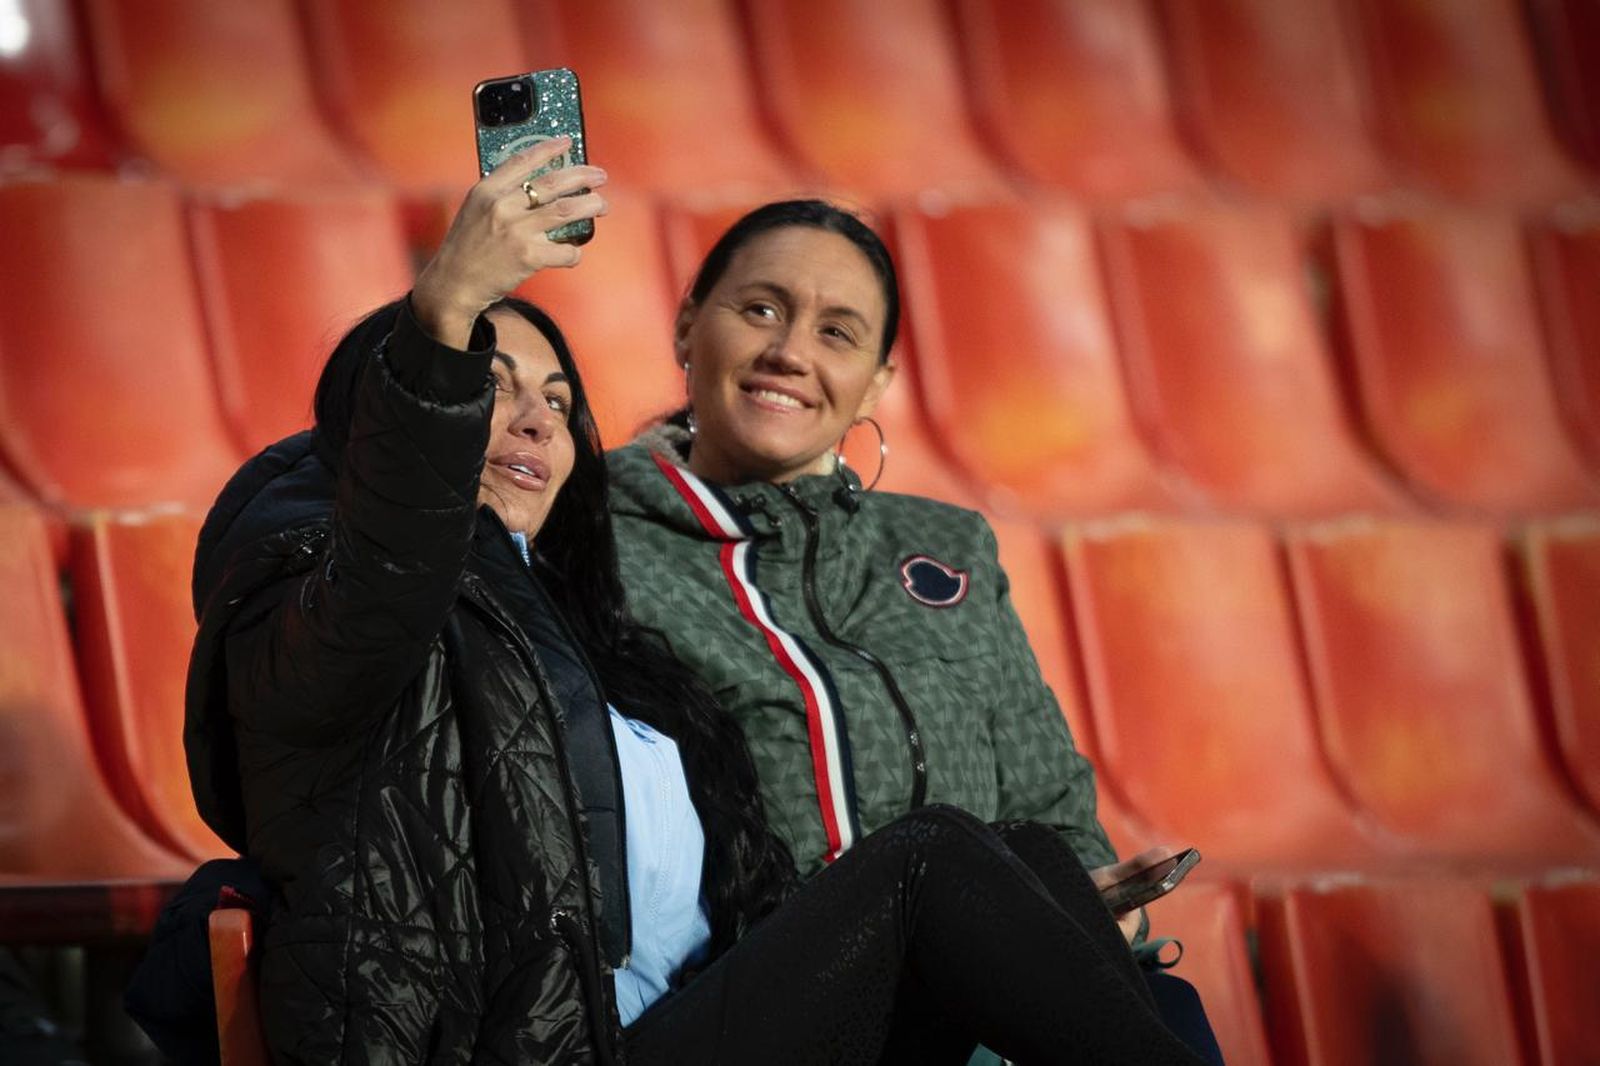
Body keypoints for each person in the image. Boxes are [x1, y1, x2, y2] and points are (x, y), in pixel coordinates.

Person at [177, 143, 1207, 1063]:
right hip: (544, 1041)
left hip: (685, 1018)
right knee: (936, 860)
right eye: (486, 383)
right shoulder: (375, 590)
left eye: (558, 401)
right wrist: (447, 310)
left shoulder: (579, 620)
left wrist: (1050, 914)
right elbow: (385, 568)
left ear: (881, 379)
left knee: (1048, 890)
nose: (533, 419)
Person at [606, 200, 1223, 1057]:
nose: (790, 351)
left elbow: (1053, 808)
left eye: (838, 332)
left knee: (1139, 973)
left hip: (939, 1014)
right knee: (935, 857)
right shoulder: (589, 538)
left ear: (878, 382)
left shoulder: (946, 546)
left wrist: (1087, 906)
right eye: (761, 309)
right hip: (745, 1004)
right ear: (686, 326)